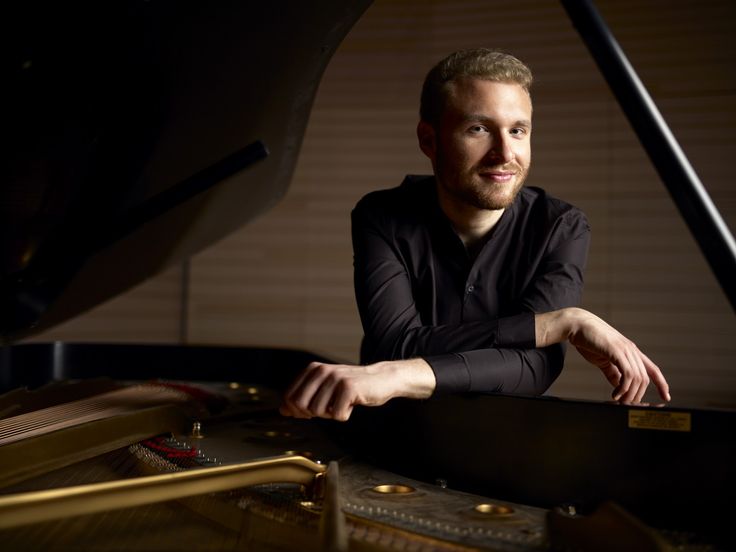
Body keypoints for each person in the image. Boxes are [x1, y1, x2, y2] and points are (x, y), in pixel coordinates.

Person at [280, 48, 670, 422]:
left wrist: (398, 375)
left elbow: (534, 367)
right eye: (479, 129)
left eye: (518, 130)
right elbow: (396, 345)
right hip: (400, 436)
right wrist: (557, 323)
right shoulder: (381, 216)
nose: (504, 153)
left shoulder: (561, 226)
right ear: (429, 141)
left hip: (505, 441)